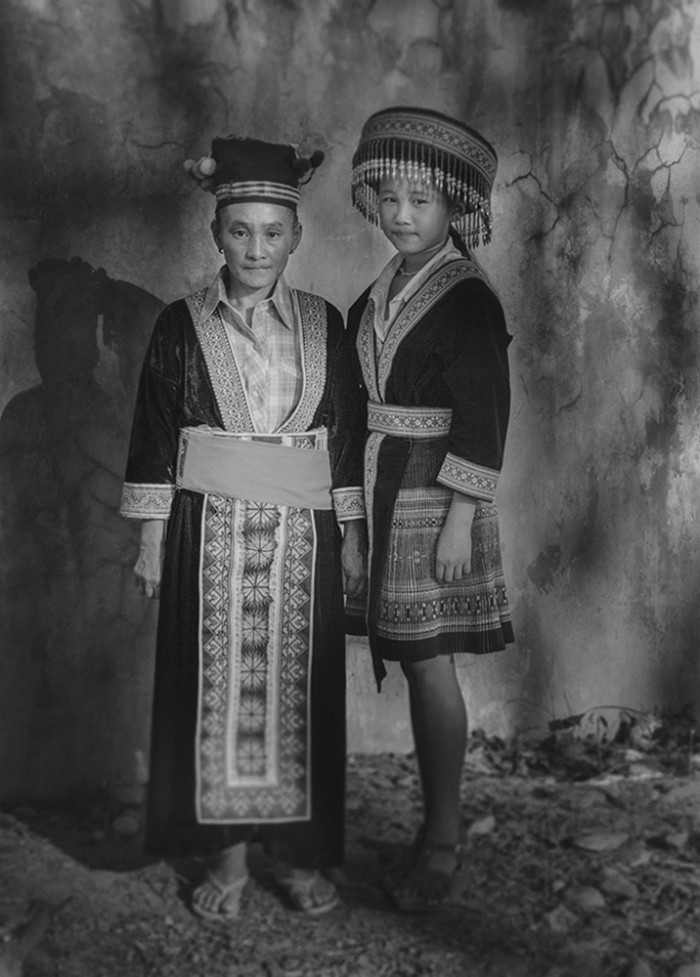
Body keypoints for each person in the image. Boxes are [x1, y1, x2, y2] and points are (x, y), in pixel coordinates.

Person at [120, 135, 366, 921]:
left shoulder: (326, 324)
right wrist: (151, 538)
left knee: (301, 695)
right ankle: (225, 852)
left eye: (272, 232)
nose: (256, 248)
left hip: (306, 539)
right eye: (240, 231)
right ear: (216, 234)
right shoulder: (179, 325)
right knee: (212, 696)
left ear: (296, 235)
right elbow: (154, 433)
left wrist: (354, 534)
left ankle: (296, 854)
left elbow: (347, 437)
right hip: (209, 532)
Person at [344, 106, 514, 912]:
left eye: (421, 199)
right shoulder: (375, 295)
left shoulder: (468, 299)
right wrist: (351, 521)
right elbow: (354, 408)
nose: (402, 214)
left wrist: (457, 521)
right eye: (390, 197)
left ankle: (443, 835)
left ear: (454, 206)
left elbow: (485, 417)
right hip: (383, 481)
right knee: (417, 663)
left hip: (437, 492)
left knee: (430, 659)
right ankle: (431, 825)